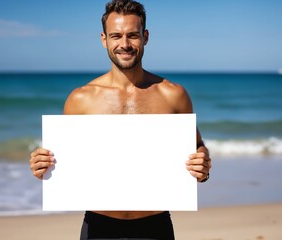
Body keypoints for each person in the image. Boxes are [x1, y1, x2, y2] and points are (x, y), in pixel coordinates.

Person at [29, 0, 211, 239]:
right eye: (116, 36)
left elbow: (196, 147)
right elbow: (64, 164)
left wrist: (203, 165)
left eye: (132, 35)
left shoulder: (173, 95)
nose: (124, 44)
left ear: (145, 37)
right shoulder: (81, 99)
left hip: (155, 225)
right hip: (99, 226)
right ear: (104, 39)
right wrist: (42, 165)